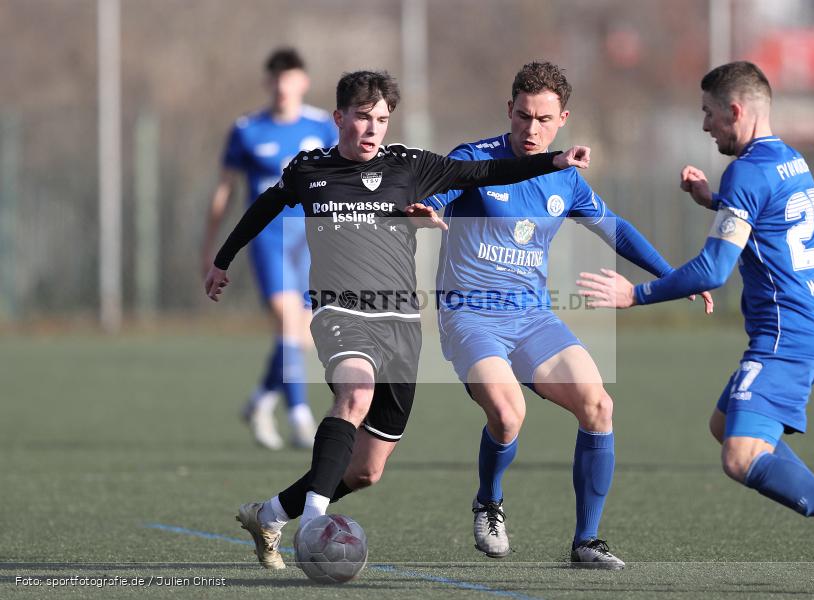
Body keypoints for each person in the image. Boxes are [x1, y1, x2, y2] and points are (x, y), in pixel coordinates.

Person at [205, 69, 592, 570]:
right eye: (362, 118)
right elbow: (264, 206)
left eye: (382, 120)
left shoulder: (411, 166)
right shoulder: (308, 170)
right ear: (339, 117)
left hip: (402, 325)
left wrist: (555, 160)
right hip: (340, 312)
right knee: (355, 392)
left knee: (366, 470)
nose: (372, 130)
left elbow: (485, 174)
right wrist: (223, 259)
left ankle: (272, 512)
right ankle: (316, 523)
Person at [577, 61, 814, 593]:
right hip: (813, 324)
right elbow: (764, 220)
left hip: (784, 335)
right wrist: (715, 201)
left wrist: (634, 294)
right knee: (726, 425)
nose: (705, 127)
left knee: (740, 454)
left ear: (735, 110)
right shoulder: (789, 160)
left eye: (708, 114)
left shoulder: (746, 171)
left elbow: (713, 270)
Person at [423, 61, 712, 568]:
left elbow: (615, 230)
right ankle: (489, 501)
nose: (530, 129)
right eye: (522, 116)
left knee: (598, 406)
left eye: (542, 119)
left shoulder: (566, 179)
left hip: (532, 319)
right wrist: (423, 209)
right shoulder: (474, 160)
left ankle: (586, 542)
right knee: (510, 414)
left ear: (562, 120)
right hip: (469, 316)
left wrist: (671, 277)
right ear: (508, 111)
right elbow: (435, 195)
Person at [202, 47, 338, 450]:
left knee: (303, 333)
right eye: (276, 78)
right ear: (268, 83)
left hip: (310, 240)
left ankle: (261, 399)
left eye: (290, 77)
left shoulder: (322, 127)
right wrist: (210, 247)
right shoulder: (247, 129)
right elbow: (224, 190)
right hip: (268, 239)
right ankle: (299, 417)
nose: (283, 86)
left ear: (303, 82)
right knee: (287, 320)